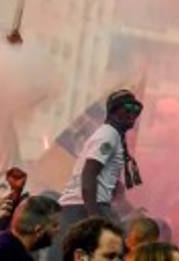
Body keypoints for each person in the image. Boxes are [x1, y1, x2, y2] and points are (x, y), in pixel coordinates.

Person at [57, 91, 144, 254]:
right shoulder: (108, 135)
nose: (133, 113)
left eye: (136, 109)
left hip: (83, 207)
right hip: (83, 208)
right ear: (113, 111)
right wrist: (95, 219)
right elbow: (89, 173)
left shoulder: (111, 135)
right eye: (128, 108)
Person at [0, 196, 61, 261]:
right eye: (54, 225)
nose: (58, 230)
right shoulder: (6, 254)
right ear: (38, 231)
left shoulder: (0, 242)